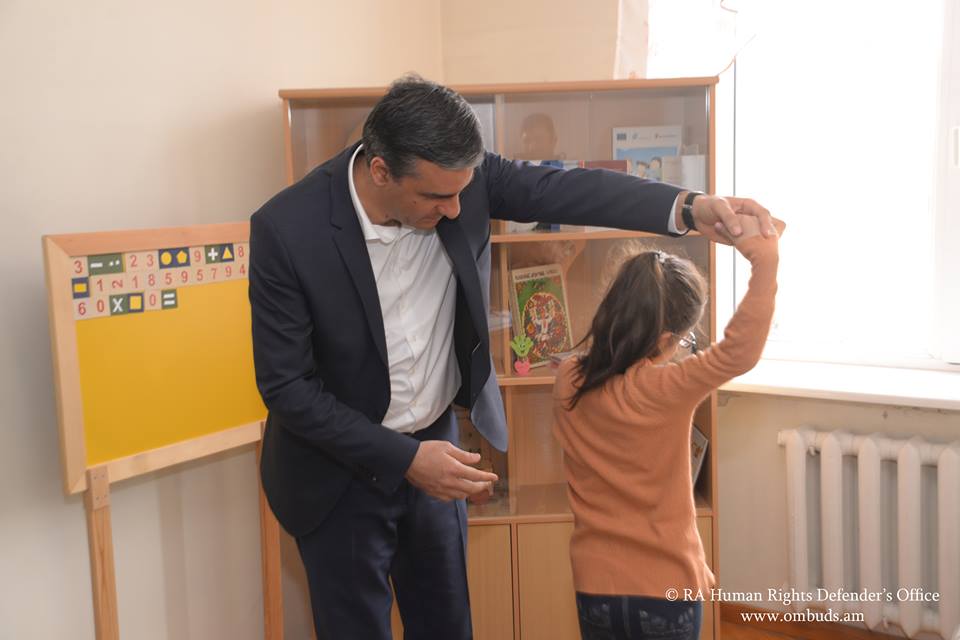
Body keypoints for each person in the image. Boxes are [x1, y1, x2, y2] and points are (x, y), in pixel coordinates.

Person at [248, 73, 780, 640]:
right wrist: (403, 457)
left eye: (463, 191)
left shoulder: (464, 181)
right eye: (436, 198)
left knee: (448, 626)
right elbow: (287, 388)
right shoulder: (288, 230)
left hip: (438, 453)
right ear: (381, 171)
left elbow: (571, 189)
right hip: (336, 473)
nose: (457, 208)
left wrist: (689, 207)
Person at [551, 216, 780, 640]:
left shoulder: (568, 379)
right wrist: (765, 262)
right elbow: (738, 352)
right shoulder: (666, 389)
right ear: (663, 341)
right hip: (665, 591)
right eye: (684, 339)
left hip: (594, 587)